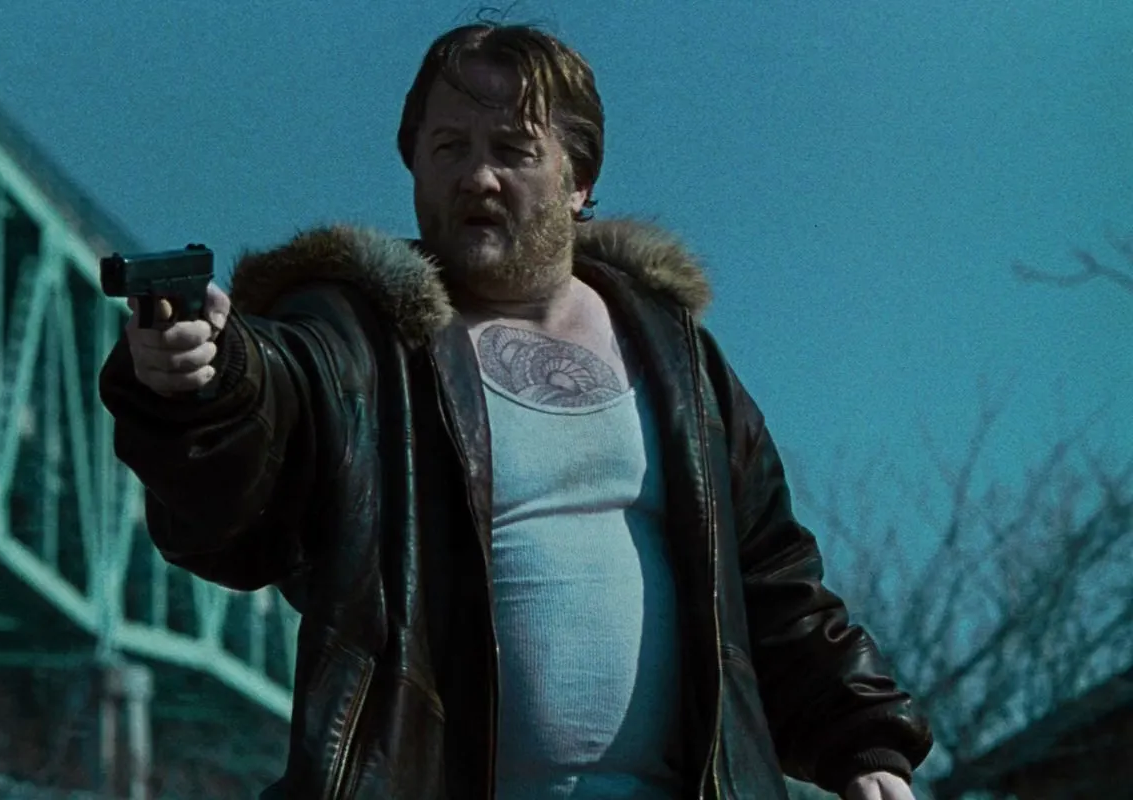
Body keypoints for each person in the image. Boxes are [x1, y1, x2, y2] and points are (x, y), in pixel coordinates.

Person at [98, 20, 932, 800]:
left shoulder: (681, 360)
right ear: (415, 169)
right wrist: (202, 382)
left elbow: (770, 585)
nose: (477, 176)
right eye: (449, 147)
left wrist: (864, 741)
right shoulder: (359, 339)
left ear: (579, 180)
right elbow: (262, 422)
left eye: (512, 149)